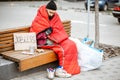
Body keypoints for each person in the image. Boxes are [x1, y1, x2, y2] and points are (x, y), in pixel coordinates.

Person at [30, 0, 80, 78]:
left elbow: (59, 29)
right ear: (46, 10)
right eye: (50, 12)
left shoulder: (55, 16)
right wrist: (46, 33)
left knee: (71, 44)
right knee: (61, 49)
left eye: (53, 12)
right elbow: (35, 34)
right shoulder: (39, 17)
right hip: (44, 42)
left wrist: (54, 34)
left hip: (55, 39)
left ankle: (68, 70)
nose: (52, 14)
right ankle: (61, 69)